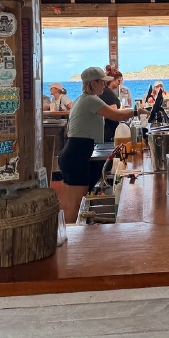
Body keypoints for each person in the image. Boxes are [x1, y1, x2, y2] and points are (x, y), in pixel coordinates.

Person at [58, 67, 136, 222]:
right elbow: (116, 115)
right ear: (93, 83)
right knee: (76, 204)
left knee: (69, 203)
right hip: (77, 155)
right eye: (102, 82)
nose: (104, 85)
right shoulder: (91, 100)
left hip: (70, 153)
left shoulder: (82, 99)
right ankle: (71, 235)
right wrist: (138, 111)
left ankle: (65, 233)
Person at [99, 72, 121, 143]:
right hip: (109, 130)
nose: (119, 83)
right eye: (118, 81)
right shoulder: (107, 92)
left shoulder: (107, 92)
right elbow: (114, 113)